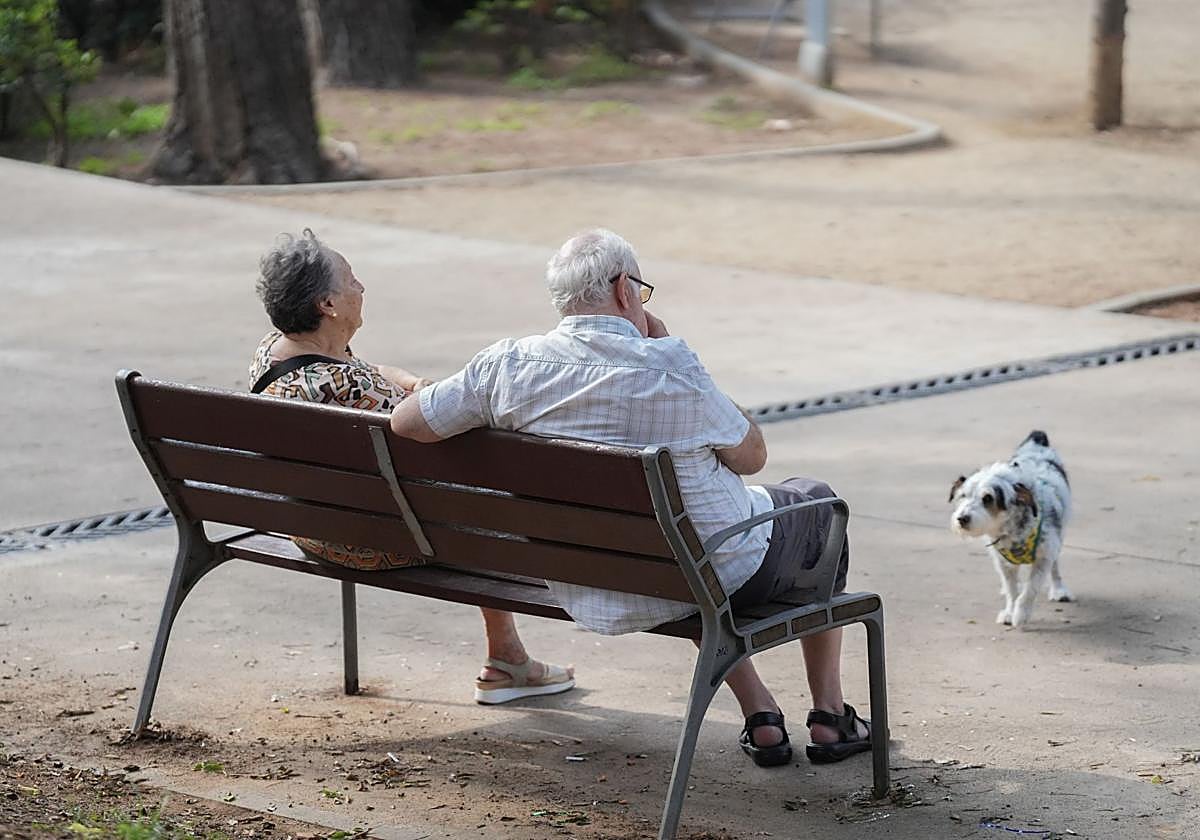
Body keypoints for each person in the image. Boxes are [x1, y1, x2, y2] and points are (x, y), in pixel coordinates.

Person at [389, 228, 871, 766]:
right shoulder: (671, 369)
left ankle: (760, 712)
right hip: (704, 571)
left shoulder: (506, 365)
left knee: (683, 537)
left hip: (592, 575)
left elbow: (406, 423)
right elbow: (752, 455)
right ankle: (830, 716)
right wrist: (675, 355)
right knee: (817, 506)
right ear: (625, 289)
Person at [249, 229, 574, 705]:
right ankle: (507, 659)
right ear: (328, 305)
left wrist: (413, 382)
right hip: (377, 540)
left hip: (313, 526)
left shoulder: (278, 355)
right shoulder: (351, 389)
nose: (361, 287)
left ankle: (507, 655)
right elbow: (434, 426)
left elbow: (371, 373)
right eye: (351, 280)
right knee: (484, 495)